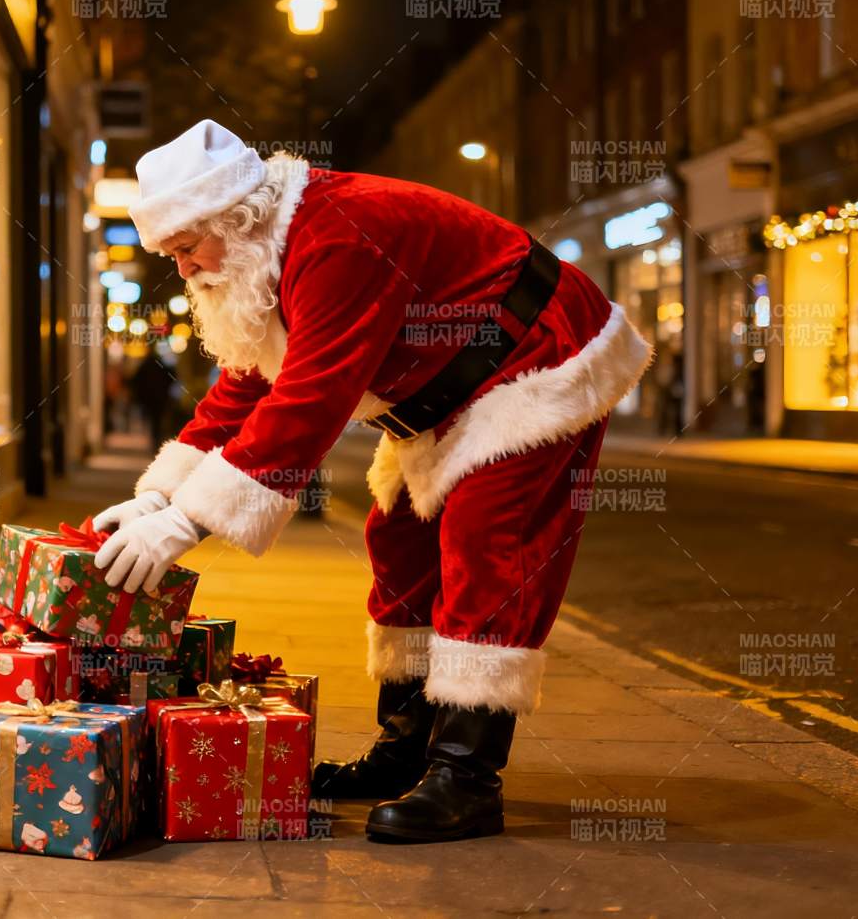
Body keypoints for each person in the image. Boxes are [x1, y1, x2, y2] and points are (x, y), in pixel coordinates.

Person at [90, 120, 652, 842]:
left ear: (236, 218)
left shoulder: (340, 237)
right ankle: (404, 751)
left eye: (188, 249)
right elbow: (244, 389)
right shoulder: (266, 251)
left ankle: (466, 777)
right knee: (398, 539)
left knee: (488, 542)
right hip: (444, 391)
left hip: (536, 357)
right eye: (173, 255)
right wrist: (158, 493)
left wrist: (184, 523)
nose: (187, 271)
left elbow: (309, 400)